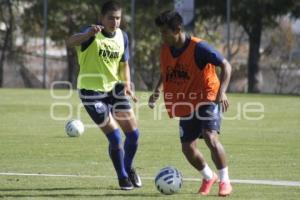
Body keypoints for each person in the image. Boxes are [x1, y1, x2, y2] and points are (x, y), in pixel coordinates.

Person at [148, 10, 232, 196]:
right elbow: (166, 71)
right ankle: (209, 176)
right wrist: (157, 90)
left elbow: (226, 65)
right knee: (187, 148)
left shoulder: (199, 48)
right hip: (186, 100)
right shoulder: (165, 49)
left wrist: (223, 92)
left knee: (209, 136)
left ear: (177, 29)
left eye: (164, 32)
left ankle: (225, 180)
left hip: (209, 96)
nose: (162, 37)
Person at [66, 0, 142, 190]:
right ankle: (122, 176)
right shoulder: (92, 33)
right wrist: (86, 35)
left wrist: (127, 84)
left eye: (118, 18)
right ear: (102, 18)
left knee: (133, 134)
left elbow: (124, 64)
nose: (114, 22)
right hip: (91, 92)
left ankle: (128, 166)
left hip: (114, 89)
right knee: (115, 138)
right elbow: (70, 42)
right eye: (110, 18)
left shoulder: (123, 37)